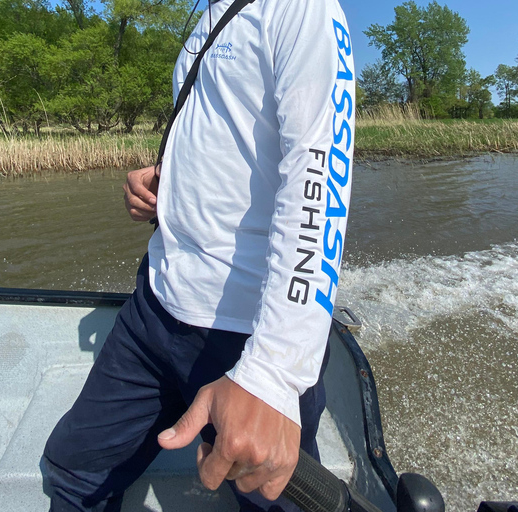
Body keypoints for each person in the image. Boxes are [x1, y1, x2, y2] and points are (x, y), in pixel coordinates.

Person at [42, 0, 355, 509]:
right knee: (75, 473)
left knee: (269, 498)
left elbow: (319, 177)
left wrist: (271, 375)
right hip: (154, 307)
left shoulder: (302, 7)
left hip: (241, 335)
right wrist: (163, 180)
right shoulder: (209, 12)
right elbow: (225, 138)